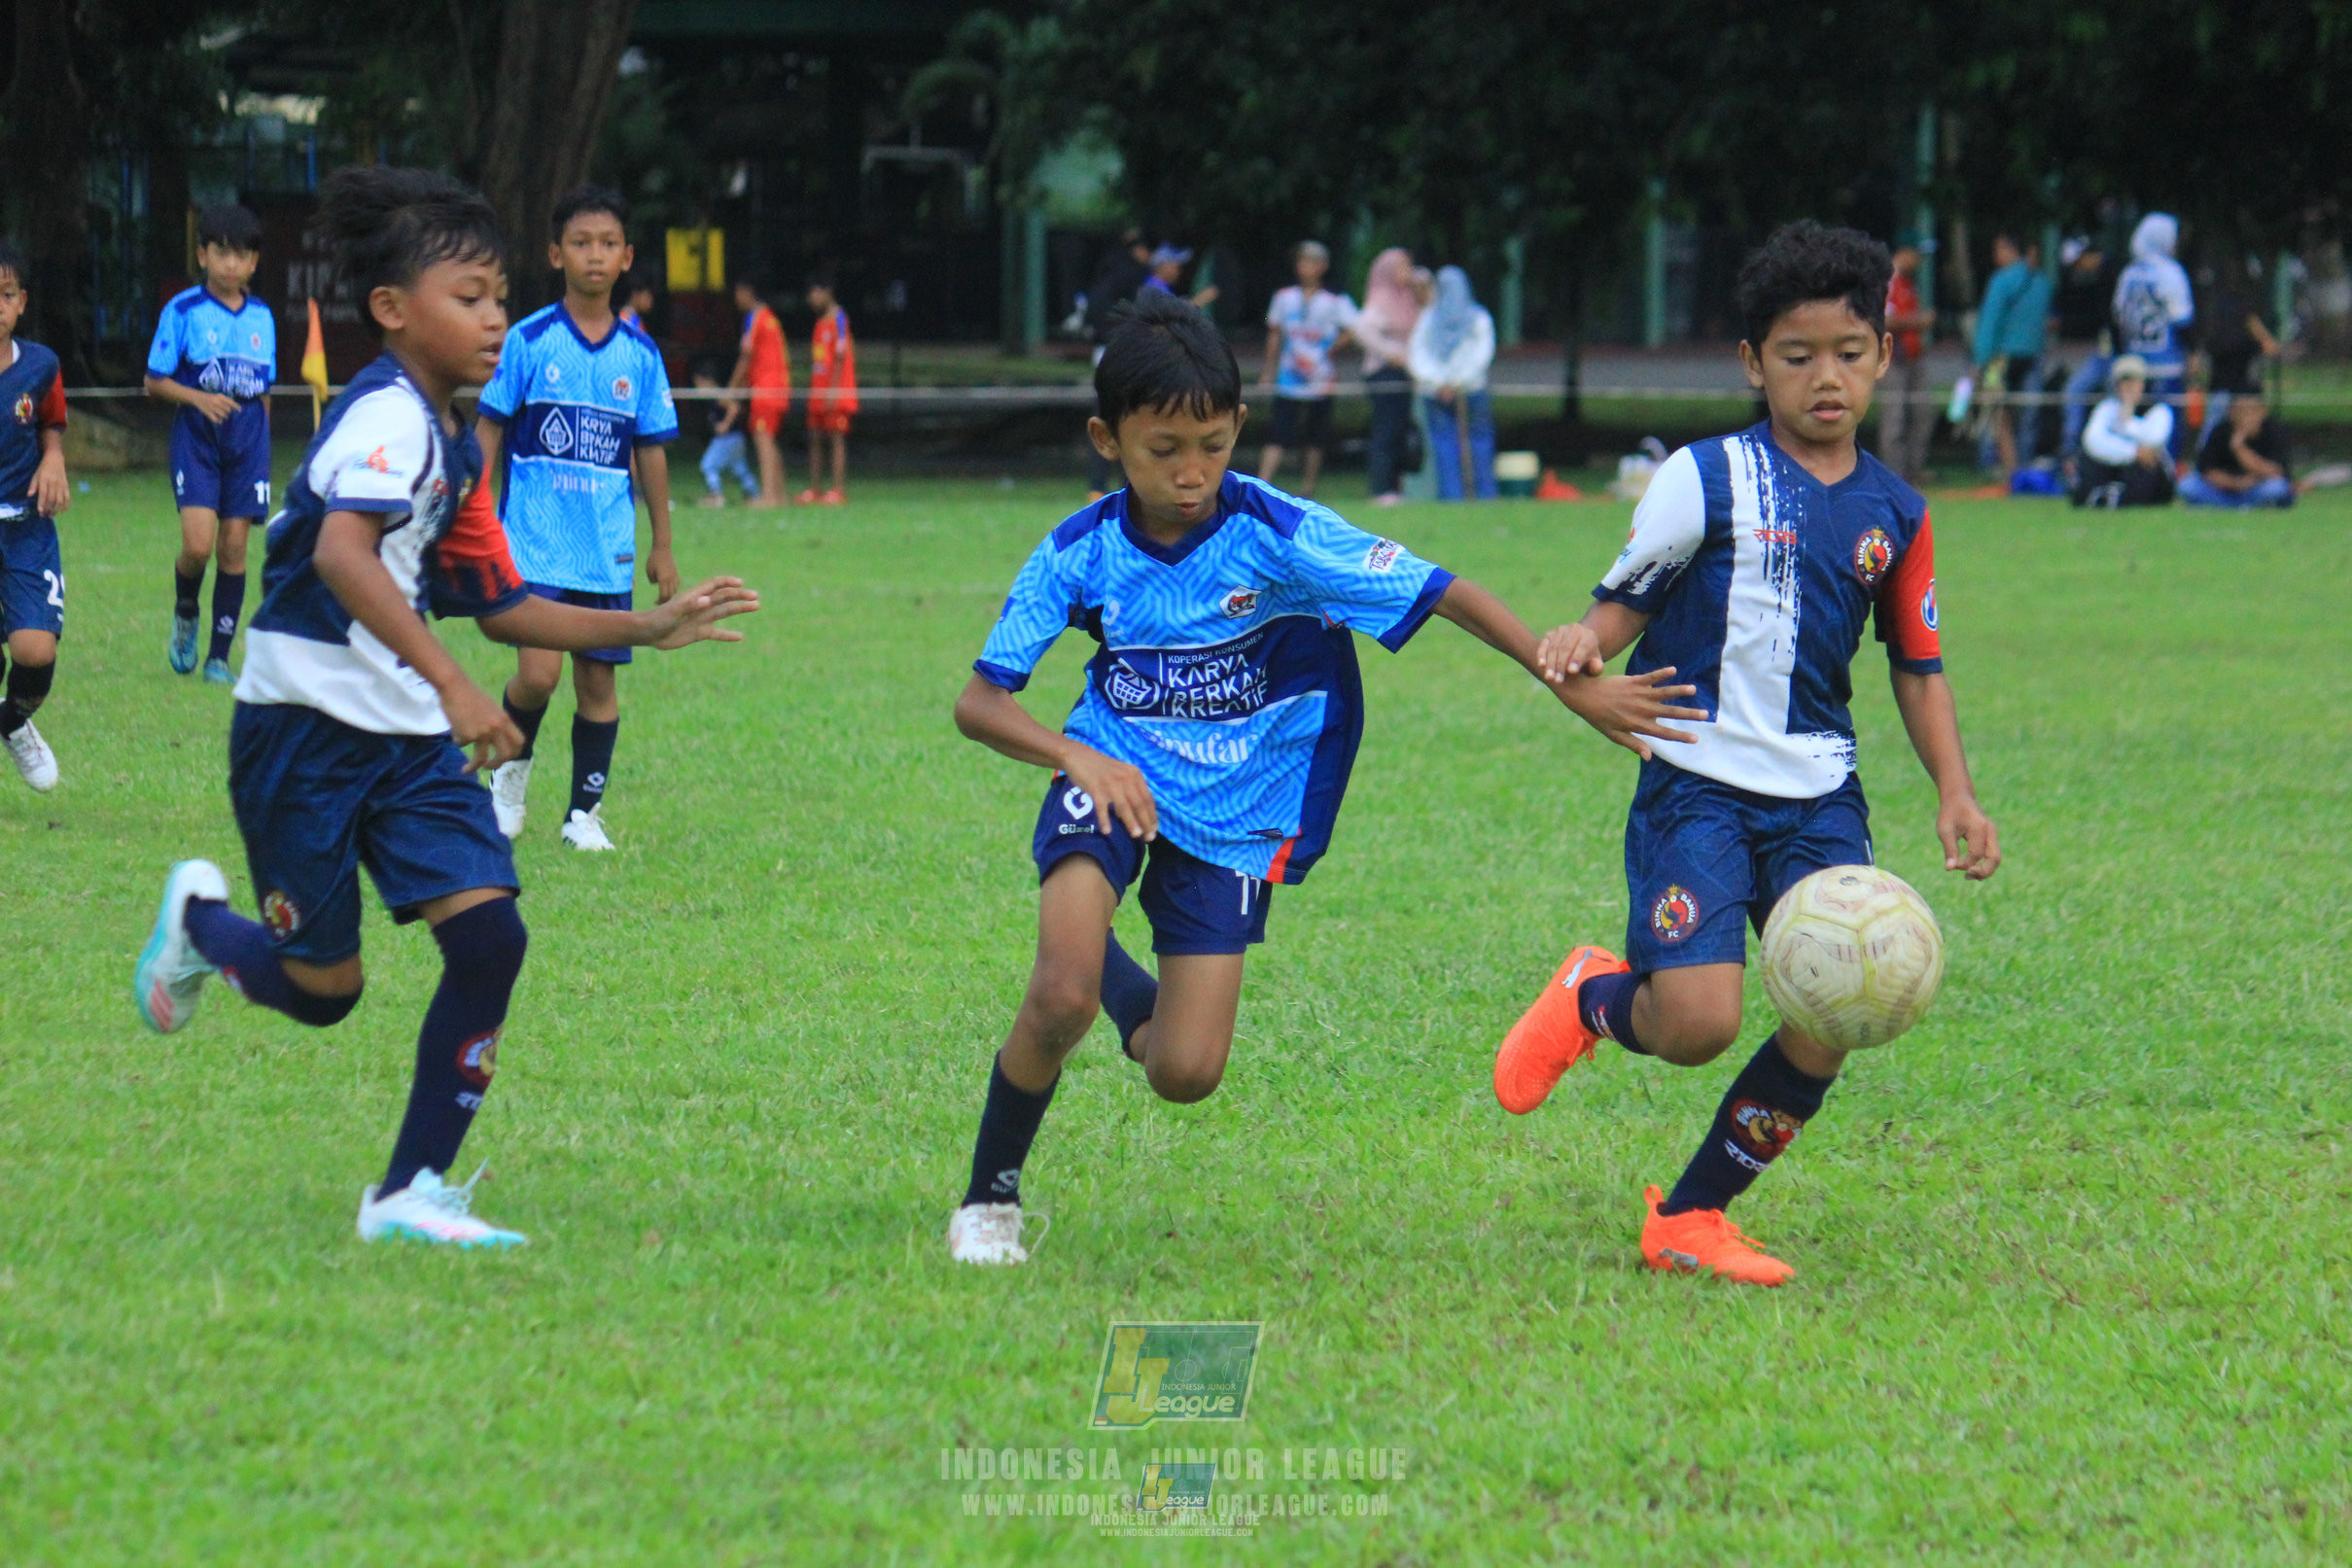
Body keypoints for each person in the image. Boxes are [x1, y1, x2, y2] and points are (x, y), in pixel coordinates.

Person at [941, 291, 1703, 1266]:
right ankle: (988, 1198)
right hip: (1111, 776)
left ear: (1239, 429)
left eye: (1211, 445)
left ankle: (1096, 969)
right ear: (1106, 438)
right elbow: (980, 701)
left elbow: (1445, 592)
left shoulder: (1281, 531)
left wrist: (1566, 685)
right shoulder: (1078, 549)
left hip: (1236, 815)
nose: (1189, 473)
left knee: (1183, 1071)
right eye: (1161, 448)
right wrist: (1077, 754)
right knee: (1056, 996)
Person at [128, 165, 757, 1248]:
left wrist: (647, 627)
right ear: (391, 311)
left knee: (491, 939)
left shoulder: (456, 444)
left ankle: (407, 1190)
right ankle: (198, 924)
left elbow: (508, 605)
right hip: (304, 734)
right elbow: (342, 552)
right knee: (327, 988)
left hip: (406, 741)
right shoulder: (385, 416)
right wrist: (459, 685)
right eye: (469, 298)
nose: (495, 318)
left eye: (500, 297)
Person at [1496, 222, 2001, 1286]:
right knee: (1694, 1024)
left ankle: (1691, 1213)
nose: (1826, 377)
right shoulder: (1704, 476)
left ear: (1883, 355)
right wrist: (1583, 644)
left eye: (1849, 352)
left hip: (1818, 796)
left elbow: (1917, 662)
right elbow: (1618, 602)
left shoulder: (1897, 514)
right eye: (1796, 354)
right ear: (1751, 363)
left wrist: (1954, 789)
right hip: (1698, 783)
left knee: (1836, 1010)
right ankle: (1593, 993)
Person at [474, 184, 681, 853]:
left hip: (605, 547)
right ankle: (508, 783)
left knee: (598, 680)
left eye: (607, 244)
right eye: (581, 243)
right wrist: (470, 510)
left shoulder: (640, 357)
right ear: (555, 253)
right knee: (537, 674)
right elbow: (489, 429)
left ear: (626, 258)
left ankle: (582, 816)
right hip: (531, 543)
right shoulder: (527, 341)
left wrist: (662, 546)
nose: (595, 256)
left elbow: (649, 450)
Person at [146, 203, 273, 685]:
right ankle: (185, 610)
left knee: (235, 548)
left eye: (242, 255)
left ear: (254, 263)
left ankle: (218, 657)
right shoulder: (183, 311)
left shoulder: (262, 316)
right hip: (197, 439)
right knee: (198, 546)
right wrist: (198, 398)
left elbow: (263, 391)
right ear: (203, 254)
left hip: (247, 443)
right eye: (221, 253)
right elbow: (153, 381)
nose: (231, 264)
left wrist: (260, 450)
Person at [0, 241, 72, 792]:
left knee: (34, 650)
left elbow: (50, 423)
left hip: (25, 526)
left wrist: (53, 458)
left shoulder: (41, 365)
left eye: (4, 296)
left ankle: (14, 722)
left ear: (21, 302)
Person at [1256, 240, 1357, 498]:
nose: (1305, 268)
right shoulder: (1284, 298)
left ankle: (1308, 486)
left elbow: (1354, 328)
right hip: (1288, 378)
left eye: (1311, 262)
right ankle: (1263, 483)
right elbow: (1275, 334)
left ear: (1322, 267)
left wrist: (1331, 348)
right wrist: (1269, 371)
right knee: (1278, 432)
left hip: (1320, 378)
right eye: (1302, 262)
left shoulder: (1334, 300)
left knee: (1316, 436)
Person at [1409, 265, 1496, 501]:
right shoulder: (1477, 317)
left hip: (1454, 391)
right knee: (1451, 443)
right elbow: (1482, 354)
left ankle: (1476, 494)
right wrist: (1449, 382)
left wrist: (1442, 381)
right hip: (1460, 388)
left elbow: (1419, 356)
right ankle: (1460, 495)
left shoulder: (1431, 318)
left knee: (1464, 442)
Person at [2112, 214, 2194, 459]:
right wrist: (2191, 354)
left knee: (2135, 418)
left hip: (2135, 363)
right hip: (2167, 363)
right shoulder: (2170, 272)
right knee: (2169, 421)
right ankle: (2167, 470)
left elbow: (2118, 316)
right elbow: (2182, 319)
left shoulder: (2129, 273)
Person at [1971, 232, 2053, 477]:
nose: (1995, 256)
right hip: (2033, 357)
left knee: (1993, 409)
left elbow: (1989, 322)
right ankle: (2024, 464)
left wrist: (1979, 360)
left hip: (2000, 360)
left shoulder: (2001, 281)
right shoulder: (2041, 281)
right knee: (2029, 413)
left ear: (2008, 249)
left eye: (1998, 250)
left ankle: (1991, 462)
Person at [1354, 248, 1421, 505]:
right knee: (1386, 429)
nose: (1408, 272)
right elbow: (1364, 331)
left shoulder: (1407, 297)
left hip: (1403, 372)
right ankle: (1380, 488)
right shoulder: (1381, 298)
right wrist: (1394, 353)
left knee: (1399, 430)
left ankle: (1394, 486)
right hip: (1384, 372)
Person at [2071, 355, 2175, 508]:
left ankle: (2111, 498)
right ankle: (2110, 496)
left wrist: (2127, 421)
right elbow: (2093, 441)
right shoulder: (2107, 408)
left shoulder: (2159, 410)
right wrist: (2134, 452)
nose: (2129, 387)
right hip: (2116, 463)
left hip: (2141, 471)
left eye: (2134, 381)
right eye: (2125, 382)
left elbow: (2154, 439)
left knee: (2149, 466)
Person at [728, 273, 790, 506]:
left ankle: (768, 496)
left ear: (746, 291)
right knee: (770, 440)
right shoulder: (771, 317)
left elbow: (746, 355)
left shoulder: (755, 318)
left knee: (763, 439)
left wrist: (731, 390)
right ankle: (779, 494)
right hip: (778, 387)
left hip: (766, 388)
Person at [1877, 243, 1936, 482]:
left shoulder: (1908, 282)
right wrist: (1918, 322)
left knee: (1924, 412)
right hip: (1892, 359)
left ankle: (1913, 468)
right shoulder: (1887, 281)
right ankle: (1893, 473)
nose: (1920, 262)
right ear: (1903, 253)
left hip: (1913, 358)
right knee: (1895, 417)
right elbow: (1884, 321)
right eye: (1917, 256)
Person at [2180, 386, 2295, 508]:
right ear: (2232, 412)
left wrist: (2239, 448)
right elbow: (2208, 471)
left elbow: (2275, 471)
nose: (2249, 416)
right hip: (2223, 491)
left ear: (2263, 411)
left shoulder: (2273, 431)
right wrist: (2237, 484)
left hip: (2255, 490)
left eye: (2253, 410)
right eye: (2243, 411)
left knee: (2278, 487)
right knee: (2187, 485)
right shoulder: (2220, 431)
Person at [2055, 237, 2119, 458]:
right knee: (2074, 391)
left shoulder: (2114, 274)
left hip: (2118, 353)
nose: (2078, 269)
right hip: (2103, 351)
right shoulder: (2099, 277)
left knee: (2114, 404)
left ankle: (2109, 453)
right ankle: (2070, 451)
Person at [799, 272, 857, 505]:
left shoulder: (840, 319)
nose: (810, 299)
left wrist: (833, 390)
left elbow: (841, 357)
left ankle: (837, 490)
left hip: (835, 391)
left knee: (836, 438)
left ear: (826, 293)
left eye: (814, 293)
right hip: (818, 390)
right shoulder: (819, 322)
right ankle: (814, 488)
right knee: (814, 436)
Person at [693, 360, 757, 505]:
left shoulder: (718, 395)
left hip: (727, 438)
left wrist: (725, 424)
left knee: (708, 465)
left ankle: (716, 495)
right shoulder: (714, 396)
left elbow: (734, 407)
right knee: (739, 467)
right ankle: (753, 494)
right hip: (737, 438)